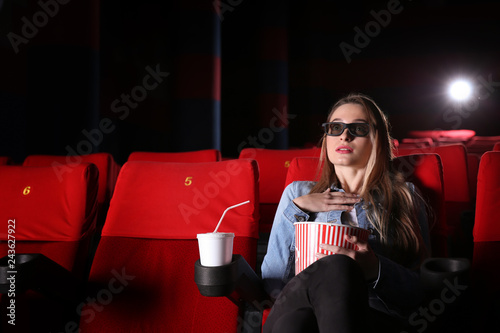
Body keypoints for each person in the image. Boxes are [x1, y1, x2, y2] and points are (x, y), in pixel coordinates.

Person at [261, 93, 431, 333]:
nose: (344, 135)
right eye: (335, 127)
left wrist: (375, 268)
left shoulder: (404, 196)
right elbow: (272, 282)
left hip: (371, 316)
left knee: (297, 323)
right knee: (332, 271)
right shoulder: (297, 194)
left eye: (358, 129)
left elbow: (420, 291)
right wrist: (297, 209)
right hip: (298, 302)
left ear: (378, 140)